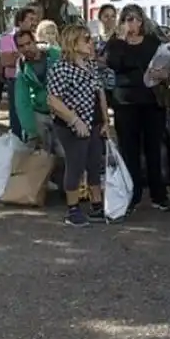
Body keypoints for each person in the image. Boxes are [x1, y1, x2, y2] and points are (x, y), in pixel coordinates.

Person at [106, 4, 170, 213]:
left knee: (154, 148)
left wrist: (165, 75)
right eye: (127, 19)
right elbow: (116, 64)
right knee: (129, 149)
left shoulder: (153, 42)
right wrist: (125, 40)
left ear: (142, 21)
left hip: (151, 101)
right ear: (122, 22)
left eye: (136, 19)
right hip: (125, 102)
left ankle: (159, 194)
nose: (132, 23)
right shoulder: (115, 44)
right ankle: (132, 194)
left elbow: (165, 64)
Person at [46, 24, 108, 227]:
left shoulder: (90, 66)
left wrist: (106, 122)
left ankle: (97, 205)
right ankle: (72, 210)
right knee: (76, 164)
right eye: (86, 39)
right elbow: (53, 100)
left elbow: (100, 94)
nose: (91, 43)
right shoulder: (61, 68)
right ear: (73, 43)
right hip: (71, 126)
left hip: (94, 123)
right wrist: (74, 120)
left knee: (94, 164)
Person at [14, 29, 61, 151]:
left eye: (28, 43)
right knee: (42, 155)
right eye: (21, 46)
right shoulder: (22, 67)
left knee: (64, 153)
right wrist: (30, 130)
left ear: (34, 41)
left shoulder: (56, 55)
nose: (26, 48)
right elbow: (22, 100)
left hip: (62, 111)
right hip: (40, 112)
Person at [1, 7, 39, 139]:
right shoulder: (7, 39)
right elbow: (6, 61)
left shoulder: (37, 37)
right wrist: (23, 54)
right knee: (17, 113)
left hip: (35, 80)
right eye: (30, 19)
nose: (34, 22)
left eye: (35, 19)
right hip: (16, 80)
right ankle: (18, 141)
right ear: (20, 21)